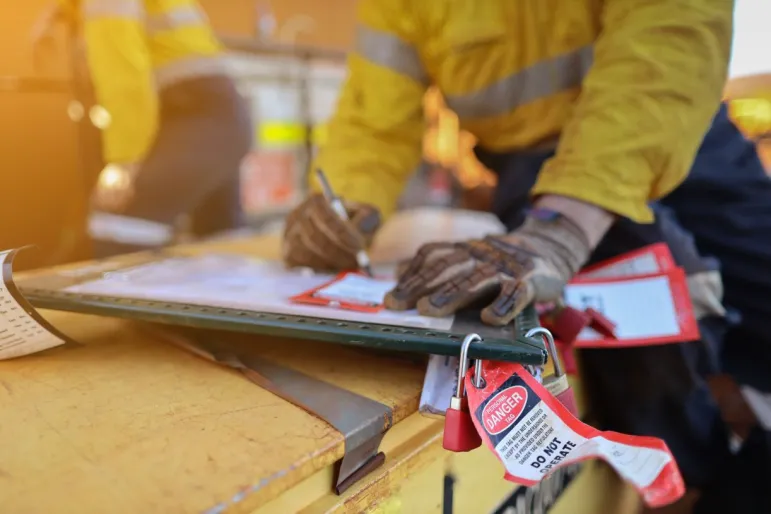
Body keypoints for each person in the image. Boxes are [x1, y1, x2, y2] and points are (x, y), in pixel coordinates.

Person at [281, 0, 771, 512]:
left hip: (673, 117)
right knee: (638, 319)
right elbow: (371, 122)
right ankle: (688, 487)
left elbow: (674, 33)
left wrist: (564, 227)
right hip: (532, 166)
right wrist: (343, 206)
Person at [33, 0, 253, 256]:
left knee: (115, 229)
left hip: (193, 116)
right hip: (221, 120)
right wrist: (59, 13)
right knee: (220, 246)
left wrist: (124, 161)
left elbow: (125, 79)